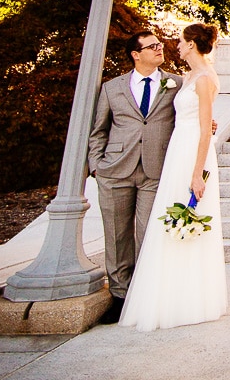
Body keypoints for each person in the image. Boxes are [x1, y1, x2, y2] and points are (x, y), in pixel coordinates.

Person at [119, 22, 227, 331]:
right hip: (178, 150)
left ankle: (187, 300)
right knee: (169, 222)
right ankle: (168, 295)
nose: (175, 46)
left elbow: (205, 129)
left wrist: (197, 174)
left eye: (180, 41)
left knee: (187, 220)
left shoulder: (205, 79)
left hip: (193, 154)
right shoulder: (188, 77)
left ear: (192, 44)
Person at [88, 31, 183, 325]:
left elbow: (189, 117)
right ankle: (119, 297)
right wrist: (97, 166)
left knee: (148, 235)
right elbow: (99, 130)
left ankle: (143, 295)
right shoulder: (112, 87)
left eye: (160, 44)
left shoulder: (176, 83)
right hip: (115, 170)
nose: (160, 49)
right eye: (152, 46)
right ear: (135, 54)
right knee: (116, 237)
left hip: (156, 171)